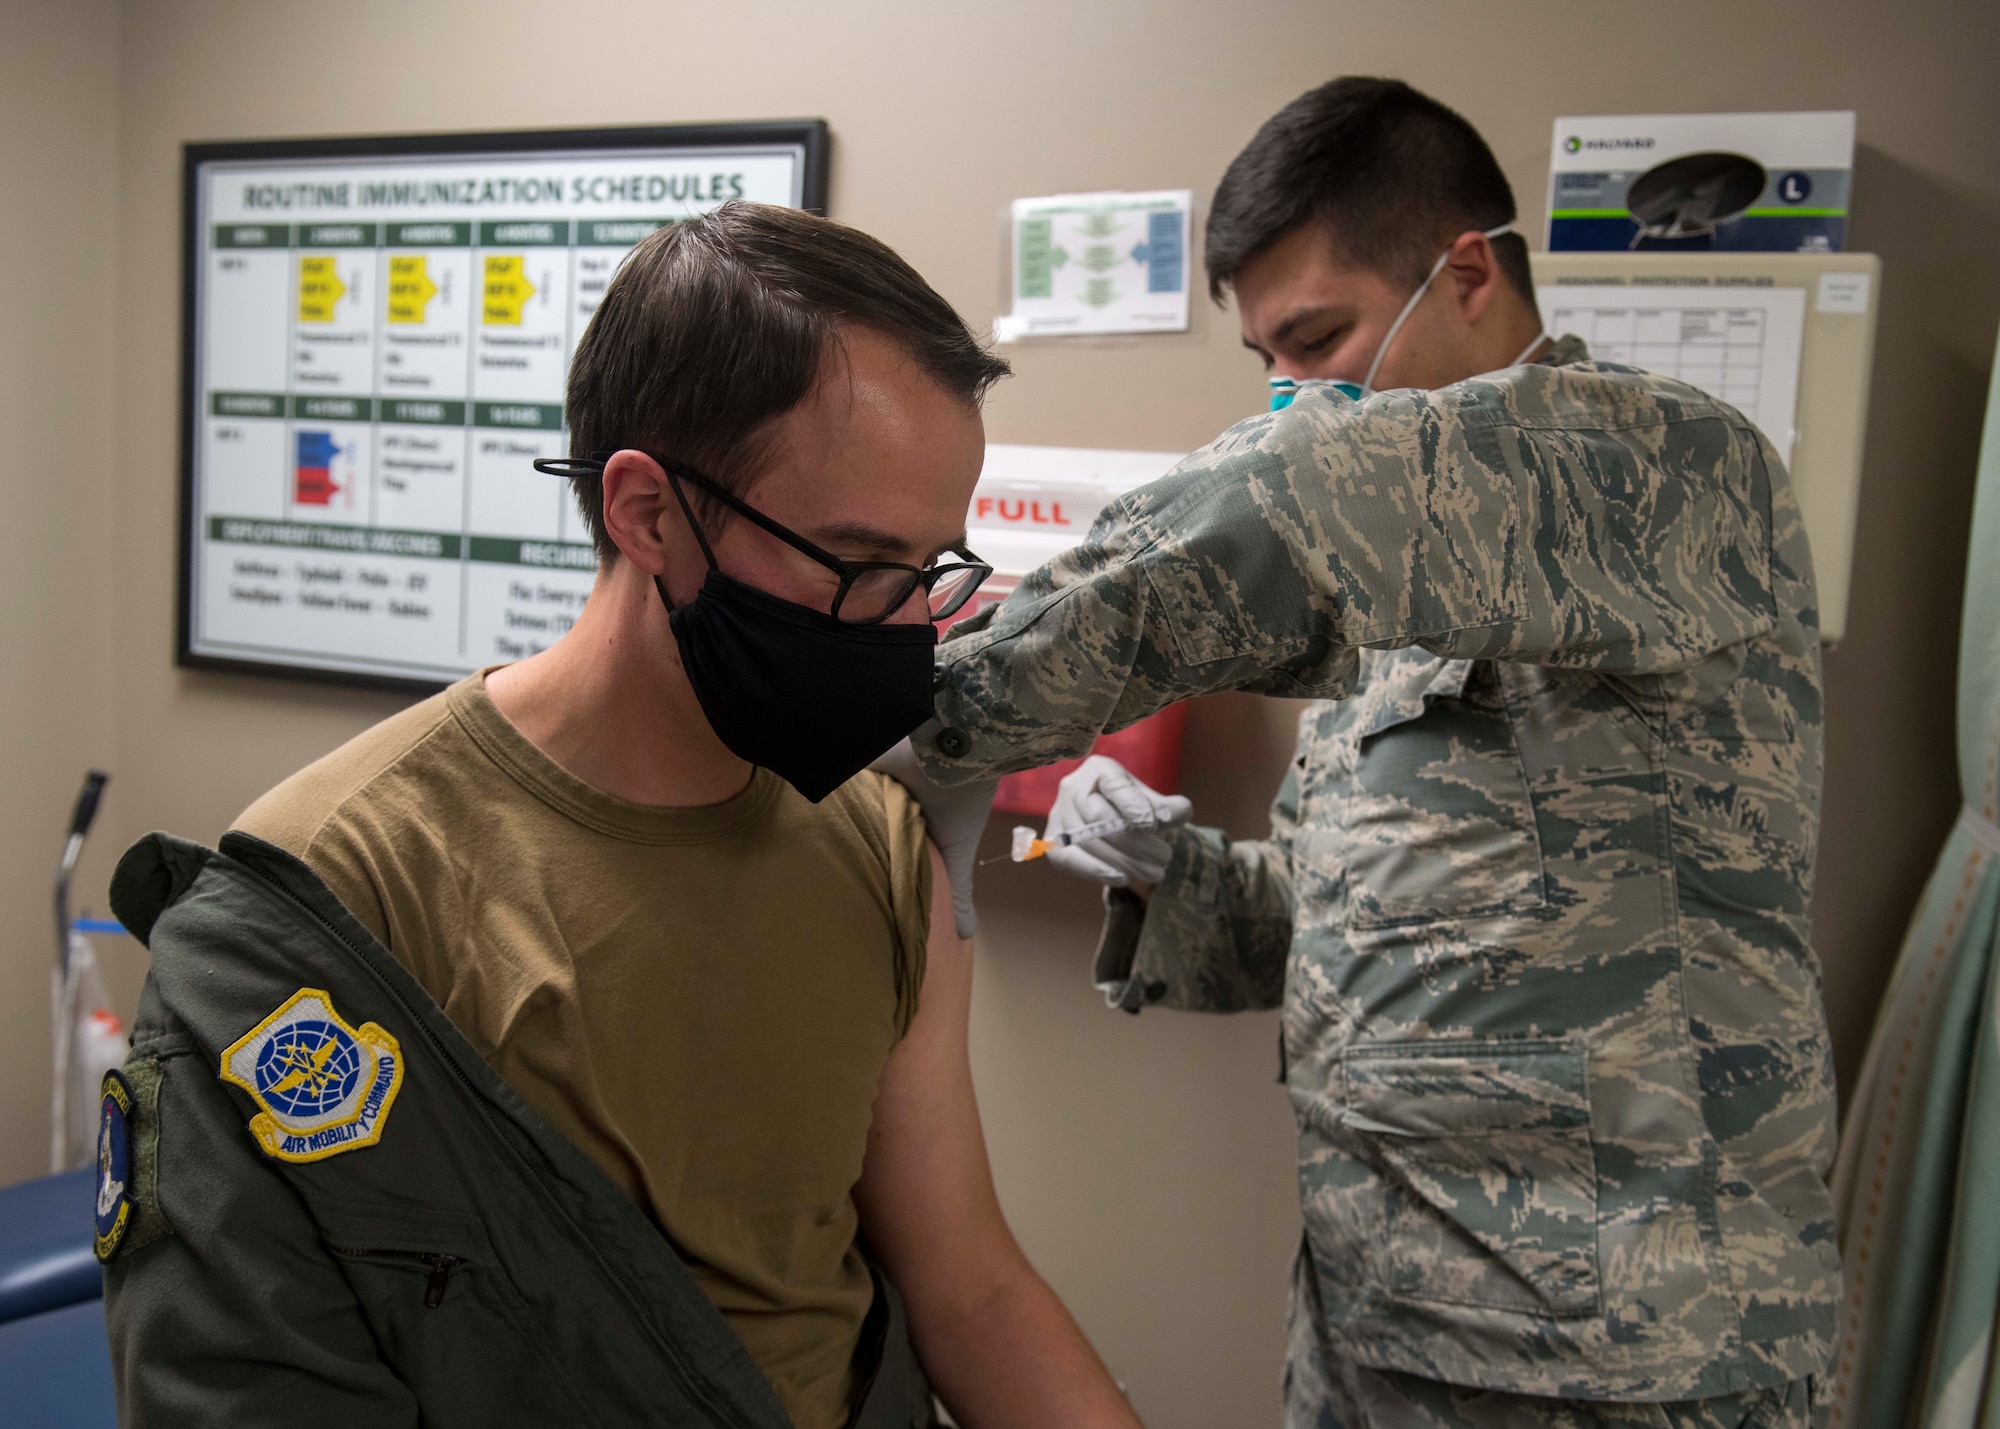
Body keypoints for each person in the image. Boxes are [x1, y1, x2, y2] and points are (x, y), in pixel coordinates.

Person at [98, 202, 1140, 1429]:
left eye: (930, 571)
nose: (909, 628)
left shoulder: (882, 844)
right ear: (647, 512)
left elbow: (969, 1288)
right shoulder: (332, 902)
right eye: (859, 566)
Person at [889, 78, 1837, 1427]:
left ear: (1464, 272)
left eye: (1320, 338)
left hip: (1627, 1357)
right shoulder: (1418, 587)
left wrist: (941, 699)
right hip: (1386, 1317)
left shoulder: (1668, 467)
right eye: (1268, 360)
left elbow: (1297, 489)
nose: (1297, 394)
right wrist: (1180, 884)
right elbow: (1398, 921)